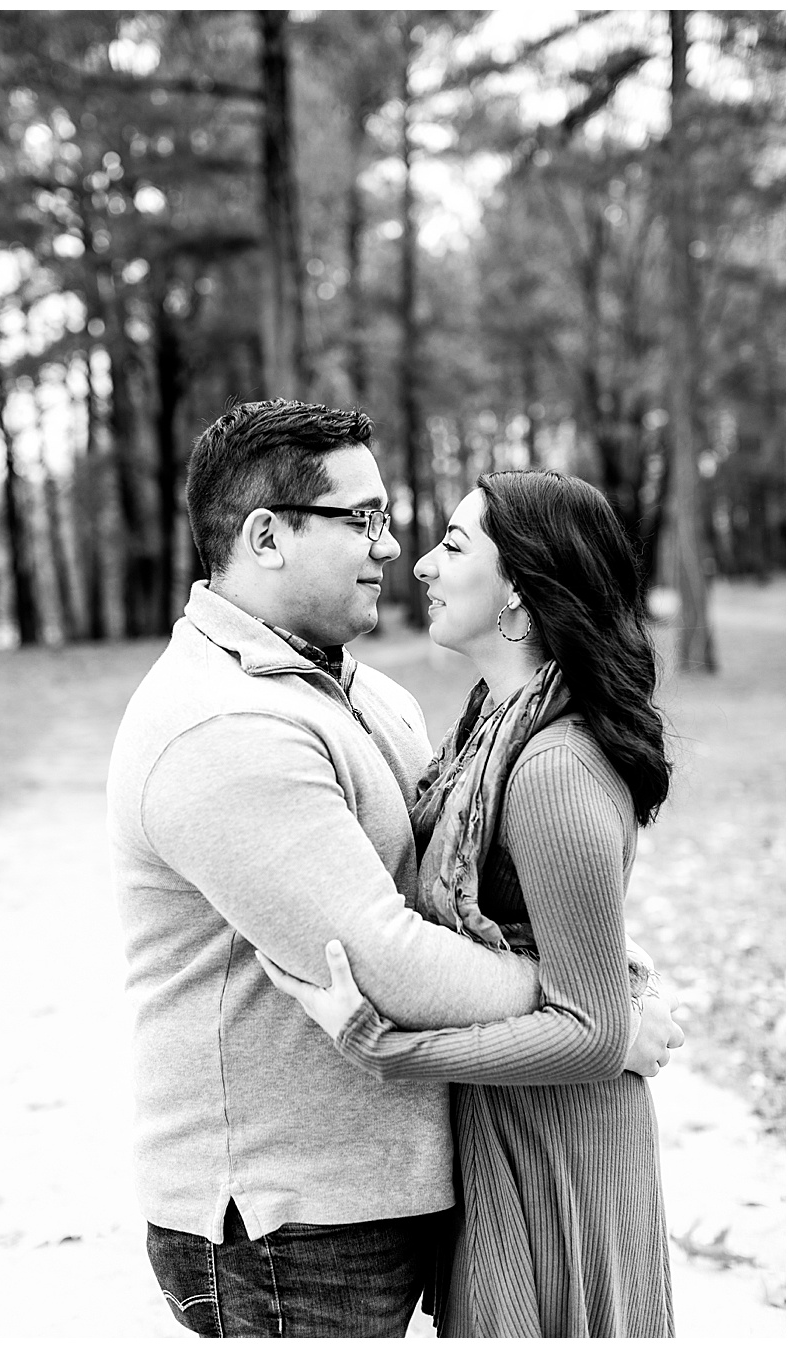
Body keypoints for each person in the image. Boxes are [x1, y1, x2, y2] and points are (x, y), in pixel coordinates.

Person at [107, 400, 679, 1337]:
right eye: (361, 518)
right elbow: (392, 959)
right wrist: (594, 1011)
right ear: (266, 537)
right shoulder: (223, 724)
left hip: (394, 1182)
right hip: (291, 1220)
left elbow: (501, 890)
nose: (392, 545)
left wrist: (601, 985)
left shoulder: (366, 694)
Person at [258, 470, 678, 1336]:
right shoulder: (491, 729)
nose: (419, 566)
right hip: (511, 1128)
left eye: (453, 545)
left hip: (560, 1150)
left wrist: (383, 1046)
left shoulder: (552, 768)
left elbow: (594, 1031)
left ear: (519, 587)